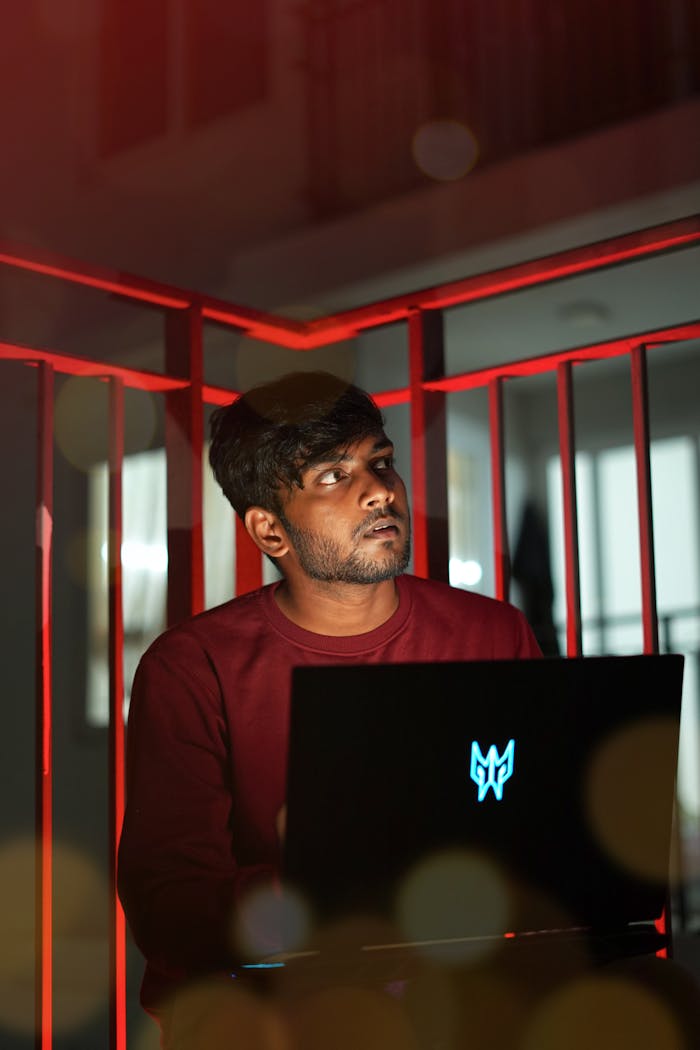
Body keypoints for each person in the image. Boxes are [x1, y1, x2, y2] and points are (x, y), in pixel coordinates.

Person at [117, 370, 541, 1040]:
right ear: (270, 531)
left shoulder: (492, 633)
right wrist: (319, 885)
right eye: (333, 476)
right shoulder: (192, 667)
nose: (379, 489)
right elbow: (168, 907)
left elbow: (543, 830)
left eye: (380, 462)